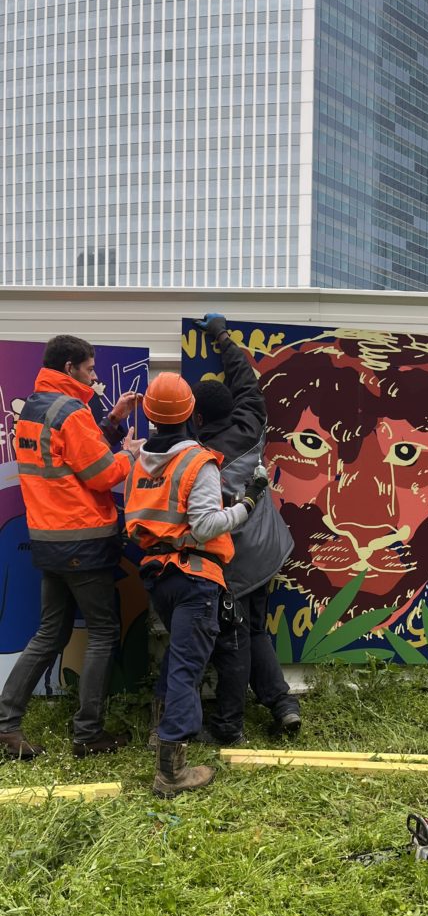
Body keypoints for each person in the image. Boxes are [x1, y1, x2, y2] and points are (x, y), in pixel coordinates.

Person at [124, 371, 267, 797]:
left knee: (178, 655)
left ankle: (160, 732)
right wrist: (248, 503)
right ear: (191, 413)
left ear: (151, 415)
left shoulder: (139, 462)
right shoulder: (196, 461)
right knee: (188, 667)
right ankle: (171, 771)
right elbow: (205, 526)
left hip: (160, 576)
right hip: (195, 577)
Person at [0, 334, 142, 759]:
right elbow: (101, 474)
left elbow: (71, 456)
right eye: (90, 369)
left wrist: (112, 422)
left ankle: (6, 723)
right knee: (103, 632)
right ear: (70, 368)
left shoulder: (34, 409)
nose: (94, 377)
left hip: (49, 541)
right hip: (84, 541)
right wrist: (130, 454)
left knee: (50, 632)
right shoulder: (74, 413)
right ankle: (88, 734)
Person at [192, 312, 301, 745]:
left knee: (236, 640)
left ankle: (230, 724)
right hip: (268, 549)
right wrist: (221, 336)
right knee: (255, 630)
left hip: (233, 562)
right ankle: (283, 704)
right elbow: (247, 383)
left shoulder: (196, 457)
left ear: (197, 418)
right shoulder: (251, 424)